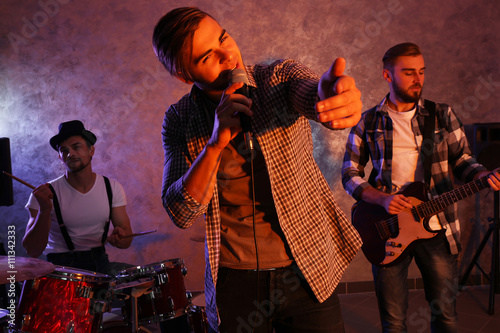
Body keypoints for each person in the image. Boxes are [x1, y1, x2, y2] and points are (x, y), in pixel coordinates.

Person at [153, 6, 363, 333]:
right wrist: (215, 143)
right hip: (235, 278)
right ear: (184, 75)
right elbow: (180, 212)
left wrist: (329, 97)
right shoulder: (180, 119)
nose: (229, 55)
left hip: (306, 265)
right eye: (208, 56)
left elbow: (308, 92)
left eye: (224, 38)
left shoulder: (275, 78)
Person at [341, 42, 500, 332]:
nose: (418, 79)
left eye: (422, 72)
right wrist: (381, 200)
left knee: (446, 317)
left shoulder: (443, 115)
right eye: (409, 72)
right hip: (388, 227)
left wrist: (482, 175)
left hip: (438, 227)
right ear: (387, 76)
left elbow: (463, 161)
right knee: (394, 322)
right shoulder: (368, 121)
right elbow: (349, 173)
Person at [23, 120, 134, 276]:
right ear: (60, 157)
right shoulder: (44, 194)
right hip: (60, 270)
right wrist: (44, 210)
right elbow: (32, 250)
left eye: (76, 147)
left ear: (91, 150)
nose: (71, 154)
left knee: (141, 283)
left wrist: (120, 238)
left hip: (100, 264)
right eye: (64, 150)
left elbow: (127, 240)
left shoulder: (112, 188)